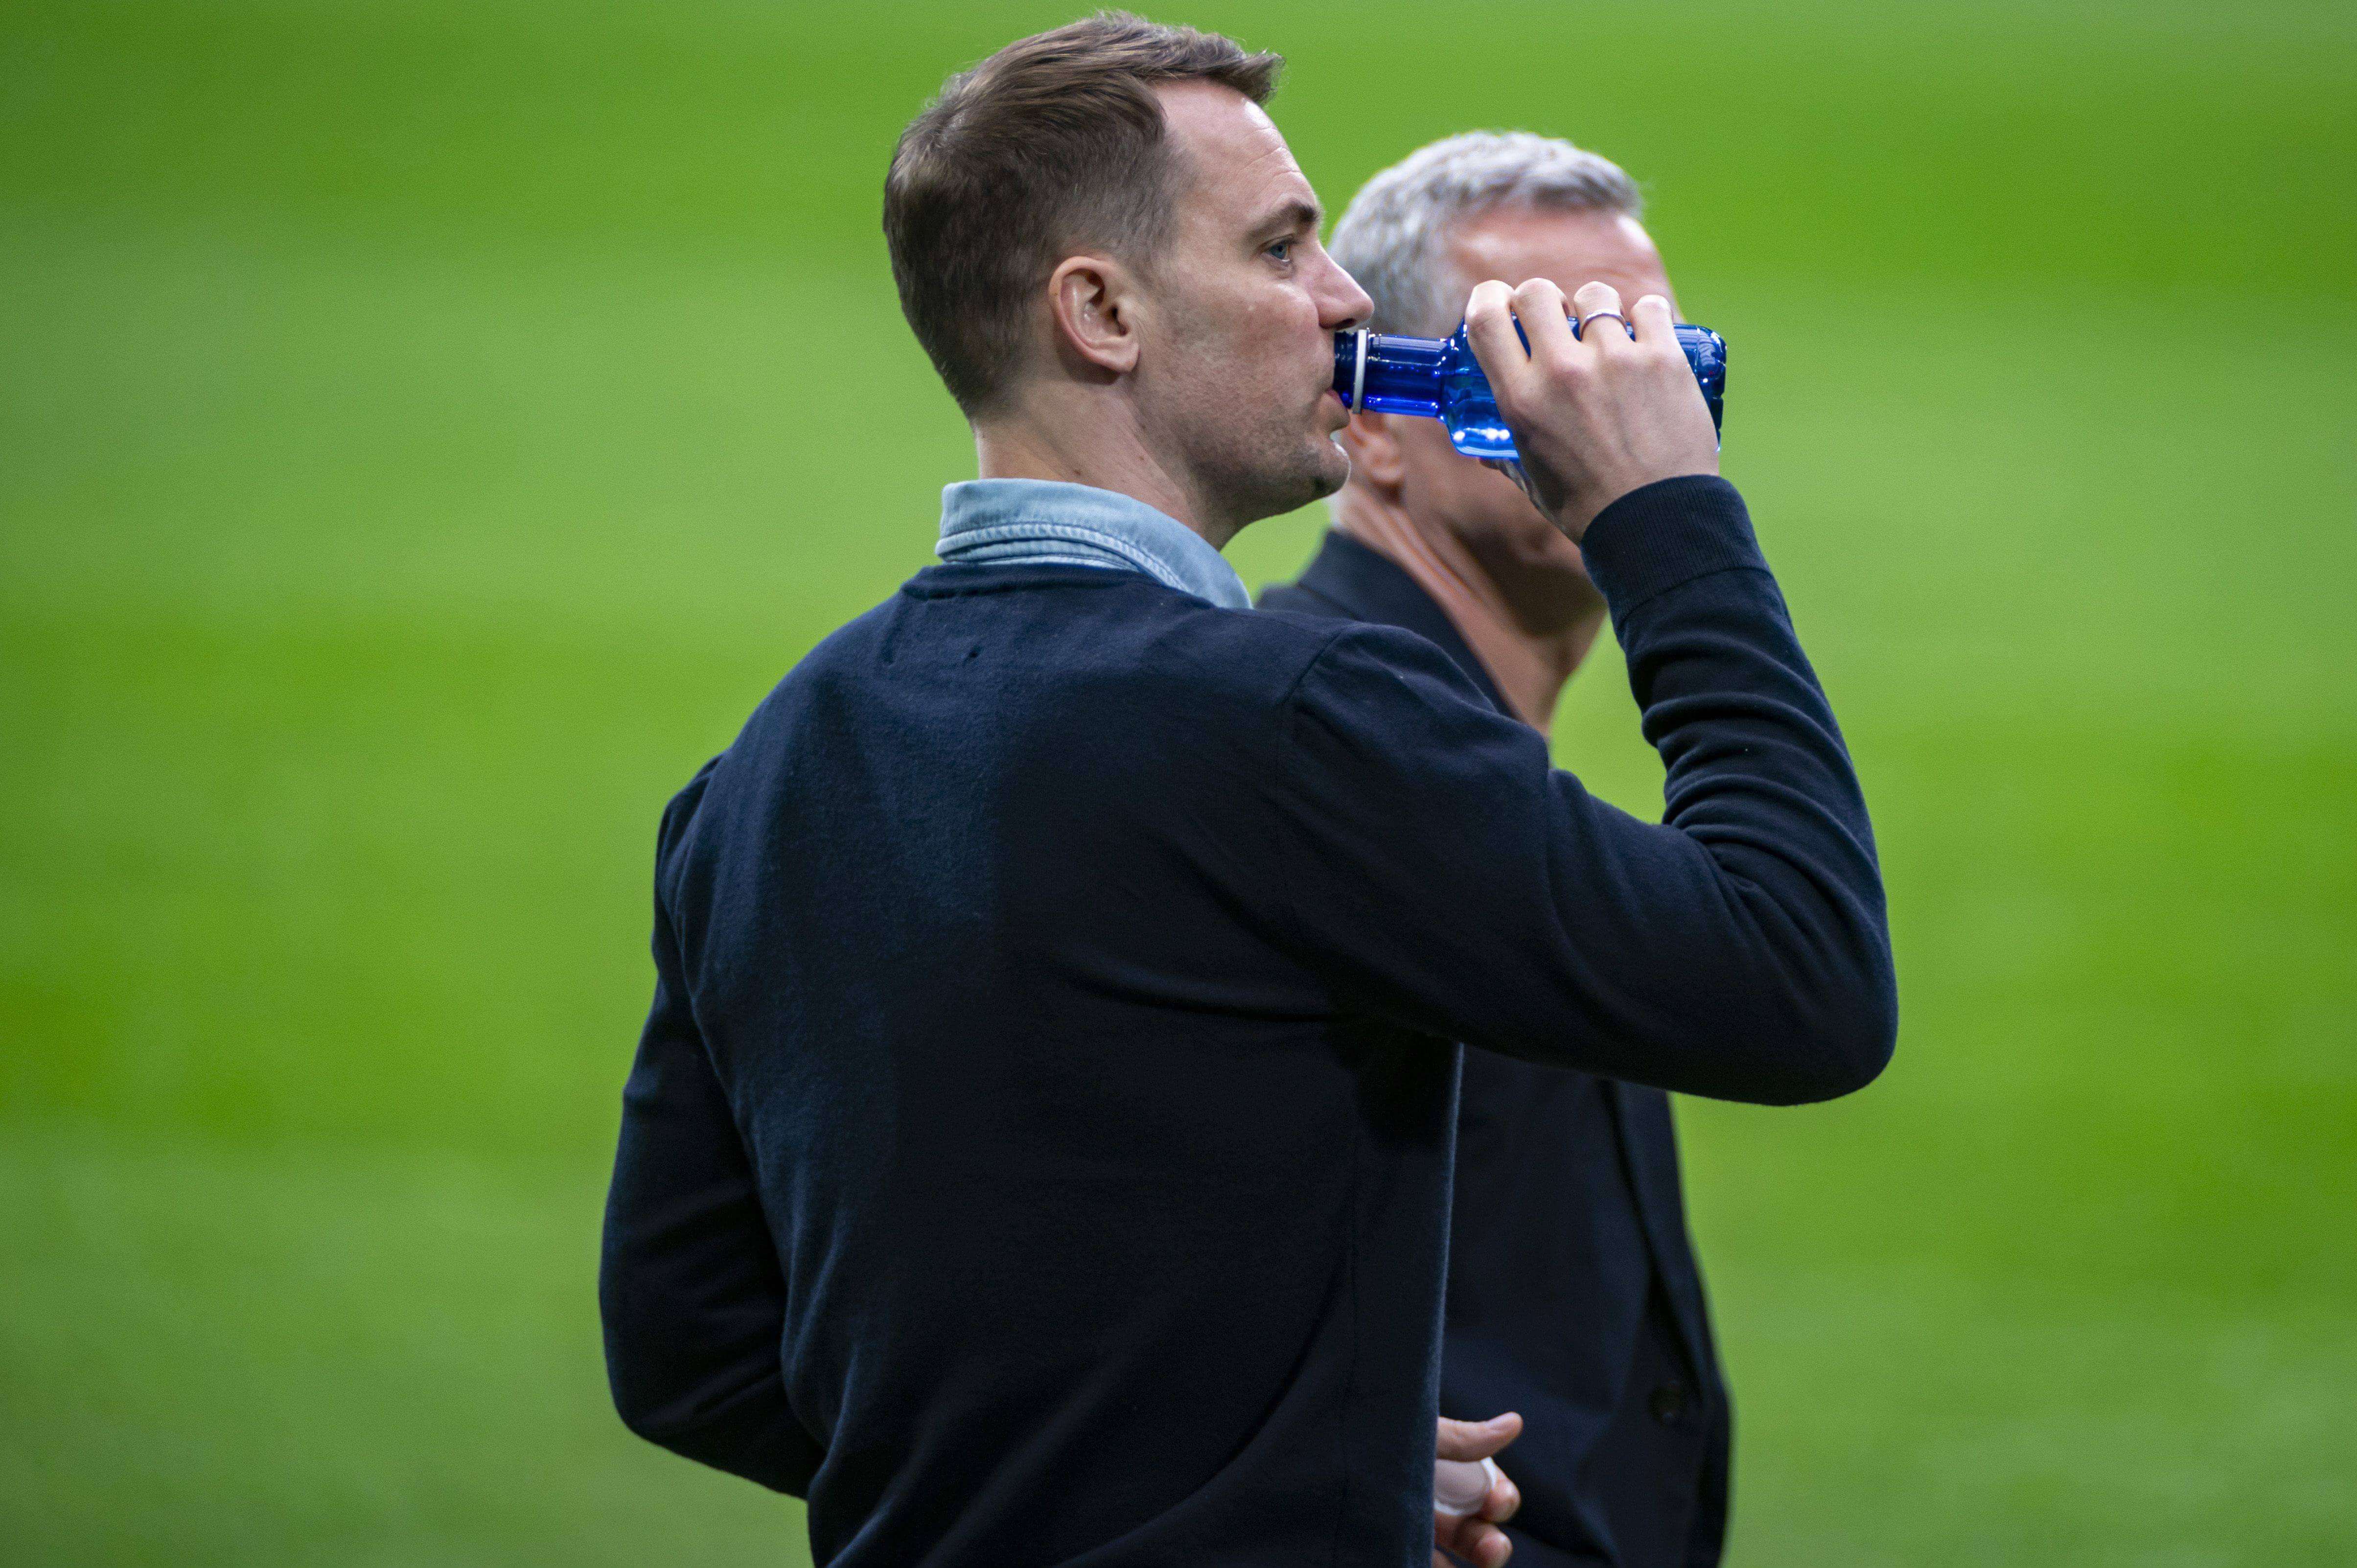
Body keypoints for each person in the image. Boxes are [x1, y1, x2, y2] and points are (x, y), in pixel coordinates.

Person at [598, 16, 1896, 1568]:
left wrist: (1290, 1454)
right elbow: (1800, 973)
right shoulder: (1289, 719)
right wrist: (1665, 510)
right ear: (1101, 312)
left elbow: (686, 1342)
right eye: (1282, 248)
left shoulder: (764, 766)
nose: (1343, 301)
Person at [1262, 133, 1741, 1567]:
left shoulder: (1453, 741)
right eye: (1534, 363)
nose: (1611, 411)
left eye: (1645, 365)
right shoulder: (1325, 752)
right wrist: (1256, 1467)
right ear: (1373, 422)